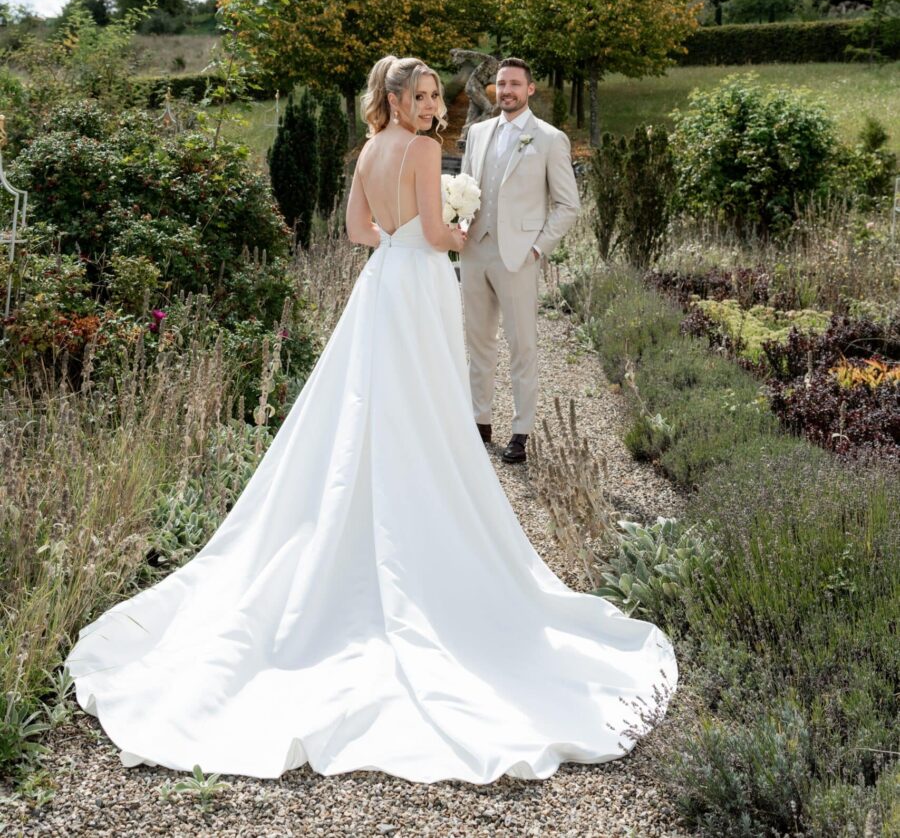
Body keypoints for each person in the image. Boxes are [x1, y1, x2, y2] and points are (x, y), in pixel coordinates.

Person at [64, 54, 676, 784]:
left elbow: (359, 230)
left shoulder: (366, 153)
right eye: (421, 97)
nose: (432, 109)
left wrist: (405, 237)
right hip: (419, 281)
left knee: (365, 402)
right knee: (424, 397)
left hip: (381, 281)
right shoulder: (420, 151)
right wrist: (455, 220)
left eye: (434, 99)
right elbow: (442, 236)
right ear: (395, 98)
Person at [461, 57, 580, 463]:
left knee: (522, 345)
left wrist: (537, 248)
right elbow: (464, 188)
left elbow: (568, 205)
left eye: (514, 84)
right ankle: (479, 422)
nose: (506, 91)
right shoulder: (476, 133)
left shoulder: (549, 138)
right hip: (475, 250)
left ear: (530, 89)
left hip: (518, 256)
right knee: (477, 340)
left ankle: (521, 431)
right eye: (500, 84)